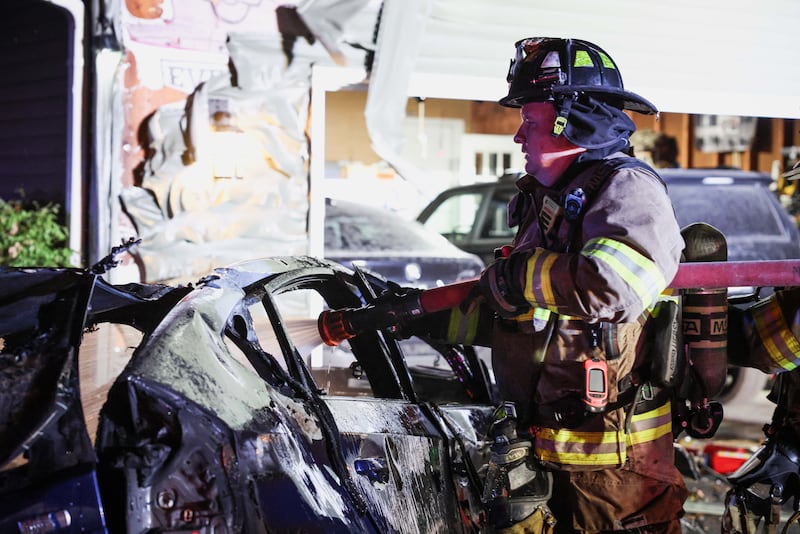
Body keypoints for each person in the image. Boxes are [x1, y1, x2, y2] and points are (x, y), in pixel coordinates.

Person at [408, 37, 688, 532]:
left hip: (613, 476)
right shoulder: (550, 199)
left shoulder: (627, 189)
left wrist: (517, 275)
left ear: (571, 122)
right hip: (546, 458)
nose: (519, 136)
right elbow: (523, 317)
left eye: (530, 121)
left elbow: (615, 285)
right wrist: (414, 315)